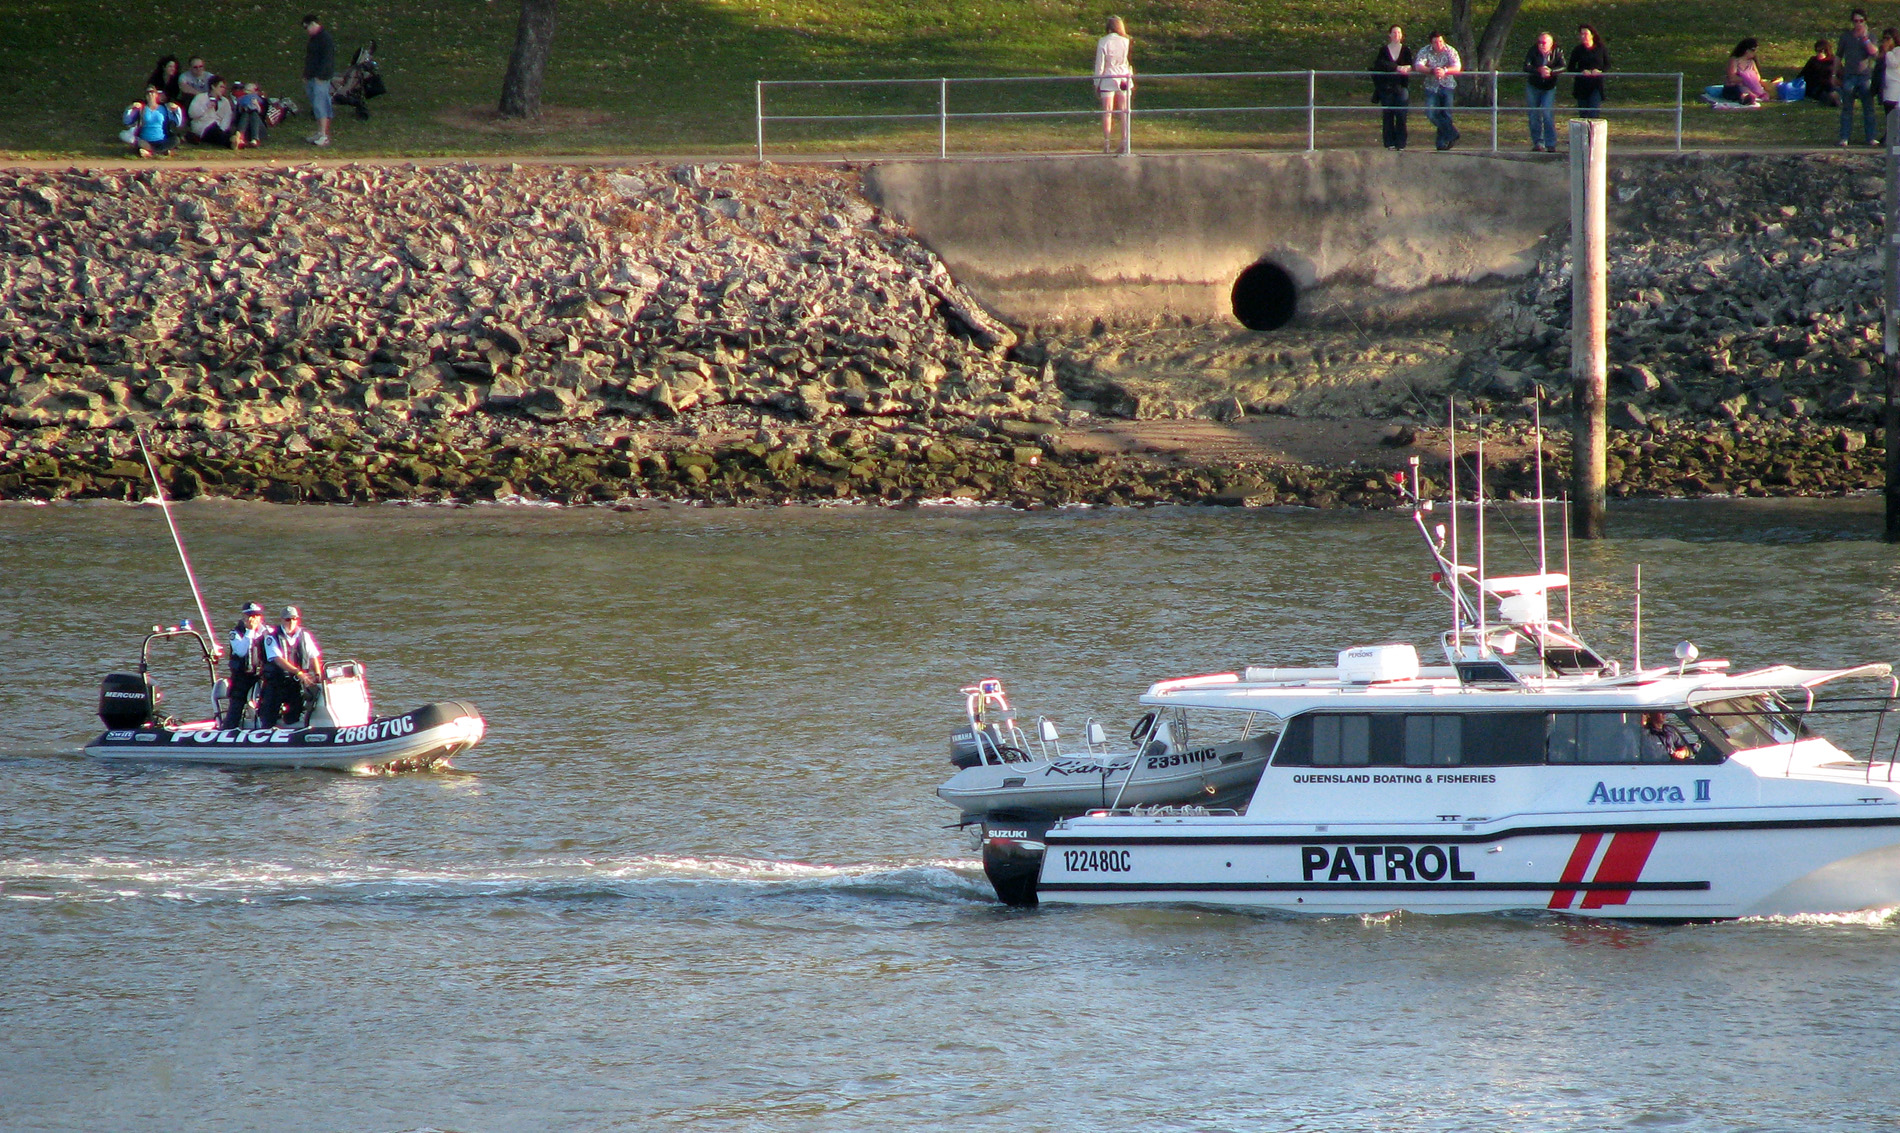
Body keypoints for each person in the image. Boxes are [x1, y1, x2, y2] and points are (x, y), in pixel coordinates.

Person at [257, 606, 322, 728]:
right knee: (269, 716)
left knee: (294, 715)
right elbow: (278, 659)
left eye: (294, 619)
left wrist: (318, 675)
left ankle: (292, 732)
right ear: (282, 620)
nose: (291, 622)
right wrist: (299, 672)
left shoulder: (304, 636)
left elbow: (313, 656)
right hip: (277, 682)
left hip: (295, 684)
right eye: (288, 619)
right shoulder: (272, 637)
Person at [222, 602, 269, 728]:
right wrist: (250, 631)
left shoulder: (268, 632)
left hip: (262, 675)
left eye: (256, 615)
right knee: (237, 702)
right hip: (242, 676)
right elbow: (241, 651)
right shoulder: (236, 633)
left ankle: (265, 726)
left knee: (268, 699)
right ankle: (229, 729)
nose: (253, 619)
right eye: (250, 616)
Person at [1414, 31, 1461, 150]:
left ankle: (1442, 144)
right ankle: (1452, 134)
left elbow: (1457, 67)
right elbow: (1418, 65)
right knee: (1431, 113)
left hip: (1447, 86)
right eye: (1435, 42)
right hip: (1431, 87)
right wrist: (1431, 71)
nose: (1439, 44)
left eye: (1440, 41)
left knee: (1446, 115)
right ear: (1431, 43)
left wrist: (1445, 70)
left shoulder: (1450, 50)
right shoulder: (1425, 51)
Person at [1093, 16, 1133, 154]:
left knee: (1107, 112)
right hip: (1123, 78)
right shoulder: (1125, 41)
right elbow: (1126, 61)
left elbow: (1100, 65)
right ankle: (1125, 141)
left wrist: (1096, 82)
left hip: (1108, 78)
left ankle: (1107, 143)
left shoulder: (1103, 42)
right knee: (1124, 111)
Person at [1370, 25, 1414, 150]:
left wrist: (1408, 68)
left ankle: (1401, 143)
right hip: (1386, 87)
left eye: (1399, 33)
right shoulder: (1384, 50)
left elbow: (1410, 64)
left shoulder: (1406, 50)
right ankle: (1389, 142)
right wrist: (1396, 67)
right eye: (1394, 33)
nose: (1396, 35)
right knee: (1388, 114)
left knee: (1401, 115)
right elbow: (1380, 64)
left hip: (1401, 86)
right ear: (1389, 35)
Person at [1840, 9, 1880, 145]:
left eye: (1861, 21)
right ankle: (1844, 137)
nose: (1858, 24)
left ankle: (1871, 137)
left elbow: (1874, 53)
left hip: (1865, 76)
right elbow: (1838, 56)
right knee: (1847, 109)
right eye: (1855, 21)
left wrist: (1864, 39)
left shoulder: (1871, 36)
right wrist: (1834, 74)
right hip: (1849, 76)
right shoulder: (1846, 37)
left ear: (1865, 21)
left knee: (1868, 108)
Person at [1523, 31, 1564, 152]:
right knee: (1534, 115)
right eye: (1539, 42)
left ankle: (1550, 143)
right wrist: (1538, 70)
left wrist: (1551, 72)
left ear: (1551, 44)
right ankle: (1538, 143)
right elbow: (1526, 66)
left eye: (1544, 43)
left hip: (1549, 87)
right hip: (1534, 86)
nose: (1541, 45)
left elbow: (1563, 66)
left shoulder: (1558, 52)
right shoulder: (1533, 50)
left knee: (1547, 113)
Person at [303, 14, 336, 146]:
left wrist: (320, 77)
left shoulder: (325, 39)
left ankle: (324, 134)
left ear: (313, 24)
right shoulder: (313, 39)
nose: (306, 31)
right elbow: (310, 58)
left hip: (321, 78)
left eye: (306, 27)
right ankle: (320, 132)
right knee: (316, 104)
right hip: (311, 76)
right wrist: (306, 75)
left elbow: (327, 60)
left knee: (320, 104)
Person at [122, 87, 179, 158]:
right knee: (123, 134)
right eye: (148, 93)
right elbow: (127, 121)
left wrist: (176, 109)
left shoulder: (164, 108)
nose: (150, 94)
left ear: (156, 95)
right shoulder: (141, 109)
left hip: (161, 139)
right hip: (145, 140)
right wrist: (130, 108)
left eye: (152, 92)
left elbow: (177, 122)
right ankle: (161, 151)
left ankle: (151, 152)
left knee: (175, 140)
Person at [1569, 25, 1609, 118]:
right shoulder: (1577, 50)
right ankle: (1584, 133)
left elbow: (1607, 64)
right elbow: (1571, 67)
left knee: (1594, 114)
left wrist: (1600, 71)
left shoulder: (1601, 48)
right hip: (1581, 86)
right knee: (1583, 115)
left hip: (1596, 85)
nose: (1583, 36)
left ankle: (1593, 132)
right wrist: (1581, 71)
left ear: (1592, 35)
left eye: (1586, 34)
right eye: (1581, 34)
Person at [188, 77, 238, 146]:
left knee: (221, 133)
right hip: (203, 126)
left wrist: (222, 129)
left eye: (224, 87)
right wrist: (206, 107)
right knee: (215, 133)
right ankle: (233, 142)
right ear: (213, 87)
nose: (223, 89)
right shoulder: (200, 97)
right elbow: (192, 114)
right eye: (221, 87)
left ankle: (232, 141)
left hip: (218, 126)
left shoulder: (224, 101)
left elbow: (227, 117)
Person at [1723, 39, 1770, 105]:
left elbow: (1757, 77)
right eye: (1753, 50)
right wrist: (1745, 79)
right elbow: (1732, 78)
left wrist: (1751, 80)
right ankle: (1746, 98)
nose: (1755, 53)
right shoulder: (1734, 60)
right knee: (1741, 91)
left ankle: (1752, 96)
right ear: (1747, 51)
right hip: (1735, 87)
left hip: (1750, 86)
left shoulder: (1751, 62)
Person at [1802, 40, 1841, 107]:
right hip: (1818, 87)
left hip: (1832, 85)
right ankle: (1831, 100)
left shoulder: (1834, 61)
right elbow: (1804, 74)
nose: (1819, 54)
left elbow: (1841, 75)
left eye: (1821, 51)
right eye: (1817, 51)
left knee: (1837, 90)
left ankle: (1836, 99)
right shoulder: (1813, 61)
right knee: (1824, 94)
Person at [231, 82, 268, 148]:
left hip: (258, 128)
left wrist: (257, 105)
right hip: (246, 128)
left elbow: (263, 114)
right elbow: (236, 116)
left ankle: (244, 136)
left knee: (253, 112)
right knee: (246, 113)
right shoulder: (240, 99)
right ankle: (246, 138)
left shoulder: (261, 100)